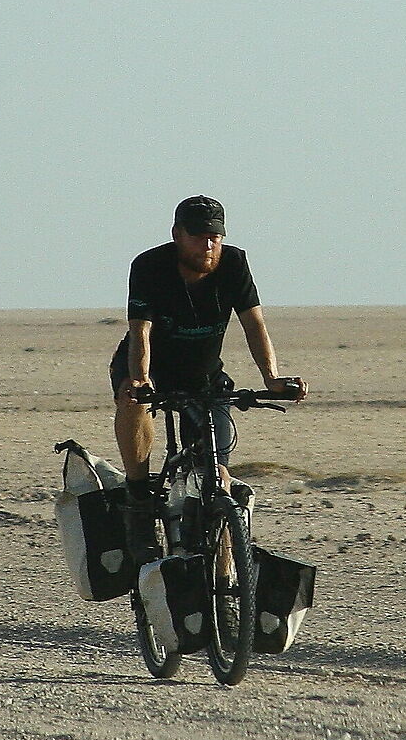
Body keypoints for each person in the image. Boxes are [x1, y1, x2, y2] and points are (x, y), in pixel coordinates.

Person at [111, 197, 303, 526]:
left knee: (218, 475)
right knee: (134, 401)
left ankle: (225, 564)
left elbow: (255, 326)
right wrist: (140, 378)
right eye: (198, 236)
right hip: (148, 368)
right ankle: (138, 492)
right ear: (177, 234)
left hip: (203, 375)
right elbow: (140, 331)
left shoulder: (234, 263)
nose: (208, 244)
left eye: (214, 237)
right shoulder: (149, 266)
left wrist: (272, 379)